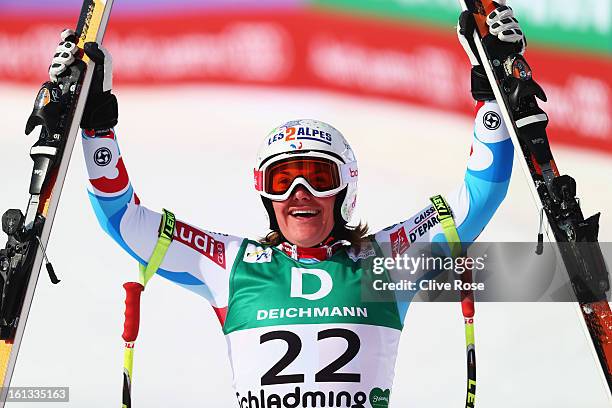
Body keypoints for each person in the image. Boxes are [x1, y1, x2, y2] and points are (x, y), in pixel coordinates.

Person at [49, 4, 524, 407]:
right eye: (281, 181)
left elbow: (477, 200)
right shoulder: (232, 265)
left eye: (319, 177)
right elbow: (126, 221)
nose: (299, 193)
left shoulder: (382, 262)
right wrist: (96, 129)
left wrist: (492, 96)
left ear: (344, 191)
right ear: (265, 195)